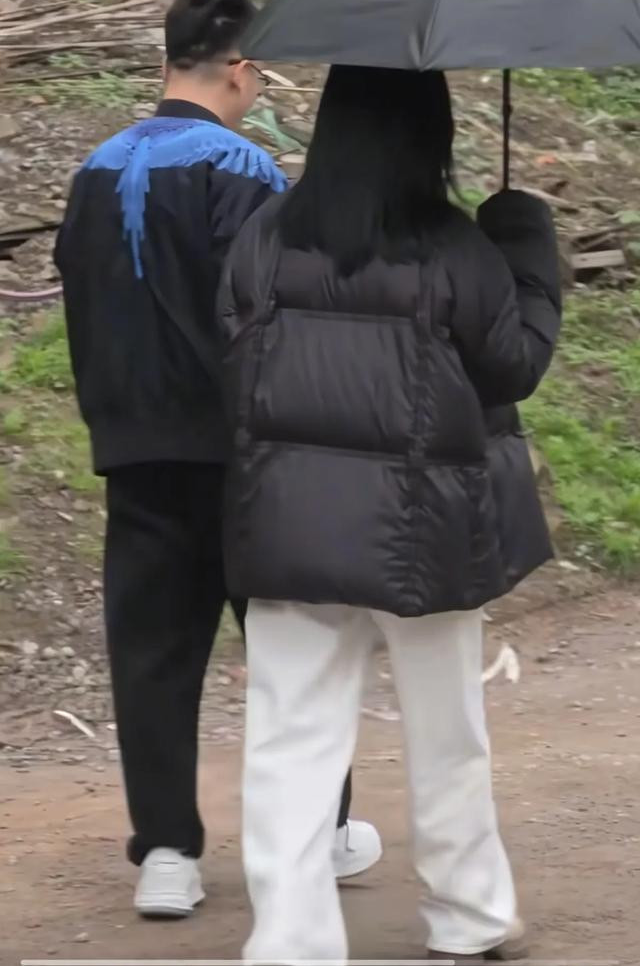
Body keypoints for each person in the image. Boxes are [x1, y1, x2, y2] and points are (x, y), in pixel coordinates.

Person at [218, 65, 562, 962]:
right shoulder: (455, 247)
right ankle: (469, 915)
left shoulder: (263, 234)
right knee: (447, 730)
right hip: (425, 527)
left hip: (287, 520)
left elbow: (234, 350)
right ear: (429, 135)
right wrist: (526, 249)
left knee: (289, 739)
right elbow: (514, 366)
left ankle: (291, 940)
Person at [54, 0, 381, 920]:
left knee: (153, 651)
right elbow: (271, 311)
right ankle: (320, 830)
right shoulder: (244, 168)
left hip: (134, 450)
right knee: (293, 644)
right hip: (246, 454)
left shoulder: (94, 169)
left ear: (169, 59)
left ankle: (166, 853)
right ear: (239, 69)